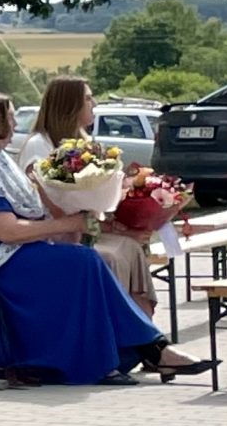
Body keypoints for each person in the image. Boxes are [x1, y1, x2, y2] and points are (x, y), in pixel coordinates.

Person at [0, 91, 215, 389]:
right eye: (9, 117)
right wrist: (68, 223)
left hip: (14, 250)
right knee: (83, 260)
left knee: (84, 259)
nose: (14, 124)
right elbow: (5, 230)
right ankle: (145, 350)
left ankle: (146, 349)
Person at [17, 75, 158, 311]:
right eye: (88, 99)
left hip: (83, 231)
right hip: (52, 236)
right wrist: (107, 228)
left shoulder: (83, 141)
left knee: (132, 247)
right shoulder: (39, 145)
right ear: (69, 105)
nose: (94, 104)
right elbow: (53, 207)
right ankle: (112, 323)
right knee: (111, 257)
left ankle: (139, 328)